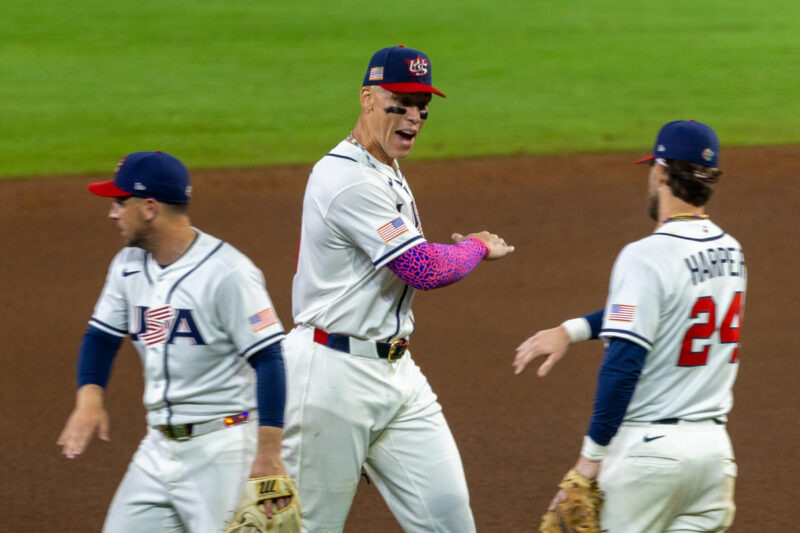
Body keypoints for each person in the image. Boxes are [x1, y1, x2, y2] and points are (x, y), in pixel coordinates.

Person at [281, 45, 515, 532]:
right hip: (331, 376)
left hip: (396, 375)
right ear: (367, 98)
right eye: (400, 103)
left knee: (450, 520)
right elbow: (423, 268)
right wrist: (475, 247)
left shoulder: (383, 167)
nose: (414, 116)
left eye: (422, 107)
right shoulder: (346, 178)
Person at [514, 120, 744, 532]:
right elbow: (662, 310)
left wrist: (588, 463)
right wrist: (573, 330)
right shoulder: (732, 251)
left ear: (660, 172)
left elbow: (623, 363)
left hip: (650, 460)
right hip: (714, 461)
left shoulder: (645, 255)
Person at [57, 151, 290, 533]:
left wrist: (269, 454)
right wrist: (89, 398)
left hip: (224, 449)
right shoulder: (127, 265)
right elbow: (100, 336)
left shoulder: (229, 273)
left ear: (149, 207)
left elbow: (270, 359)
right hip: (157, 447)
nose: (112, 213)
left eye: (120, 202)